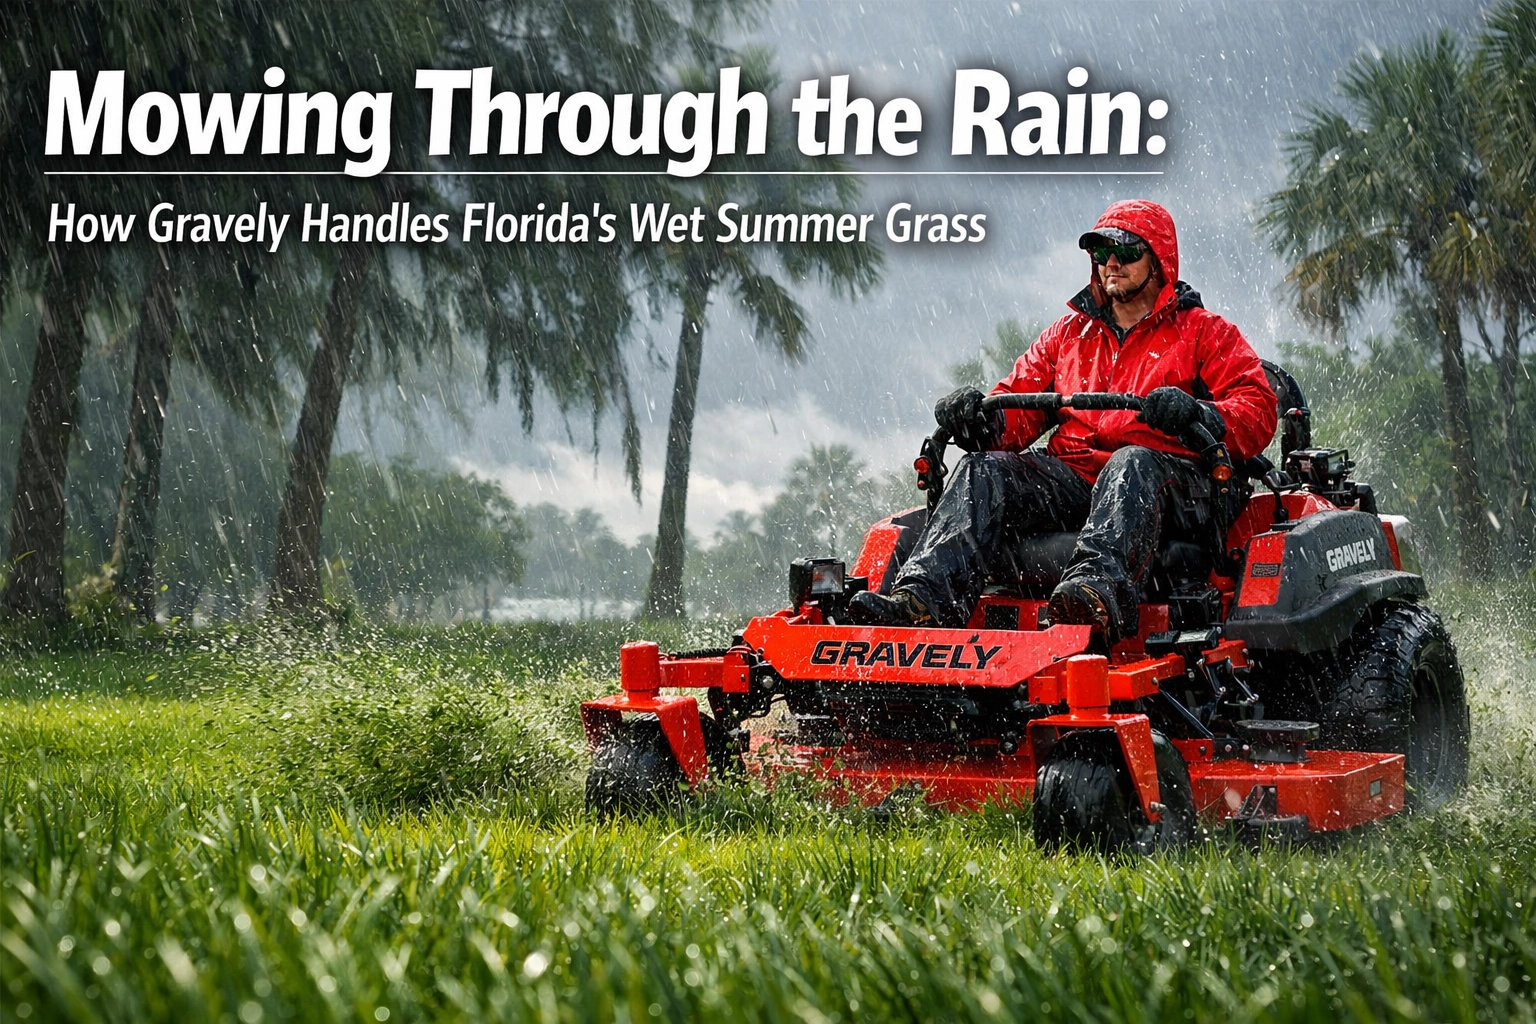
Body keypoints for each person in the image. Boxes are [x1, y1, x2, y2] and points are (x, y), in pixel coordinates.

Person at [847, 199, 1277, 642]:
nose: (1112, 263)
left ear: (1159, 258)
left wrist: (1198, 413)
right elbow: (1015, 406)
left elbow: (1258, 410)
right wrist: (978, 422)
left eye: (1127, 251)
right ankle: (920, 605)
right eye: (1100, 251)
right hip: (1077, 481)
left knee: (1129, 462)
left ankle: (1093, 596)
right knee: (983, 468)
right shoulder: (1069, 334)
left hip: (1169, 485)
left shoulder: (1206, 331)